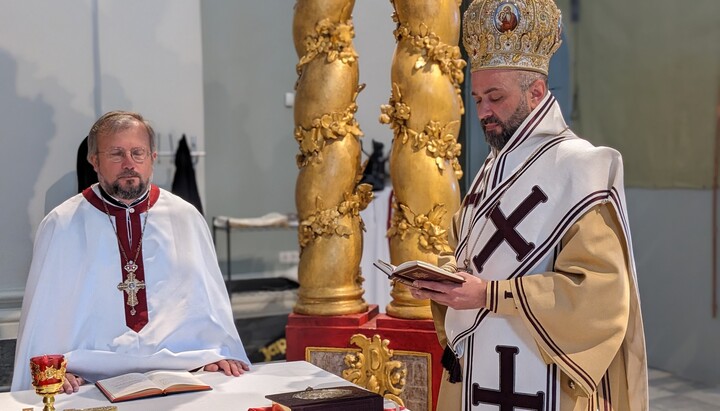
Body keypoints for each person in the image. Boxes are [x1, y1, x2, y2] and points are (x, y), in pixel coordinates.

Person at [409, 0, 649, 410]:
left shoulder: (581, 168)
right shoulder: (490, 170)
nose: (484, 112)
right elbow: (468, 256)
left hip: (548, 377)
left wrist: (489, 295)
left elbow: (600, 295)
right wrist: (444, 280)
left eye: (496, 98)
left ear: (536, 92)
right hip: (476, 371)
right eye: (478, 98)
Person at [12, 111, 250, 393]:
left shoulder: (185, 217)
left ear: (153, 157)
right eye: (116, 154)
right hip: (88, 378)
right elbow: (45, 314)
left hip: (180, 371)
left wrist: (216, 350)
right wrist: (51, 370)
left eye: (138, 153)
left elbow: (208, 302)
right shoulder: (62, 224)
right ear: (94, 161)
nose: (129, 164)